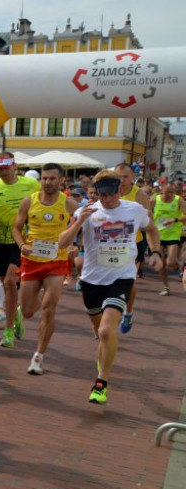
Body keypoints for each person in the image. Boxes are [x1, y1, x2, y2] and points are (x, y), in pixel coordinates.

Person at [58, 170, 163, 404]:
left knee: (107, 331)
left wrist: (155, 252)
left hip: (122, 277)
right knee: (100, 334)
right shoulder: (86, 211)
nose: (105, 199)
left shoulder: (134, 210)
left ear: (119, 190)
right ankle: (104, 361)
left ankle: (101, 383)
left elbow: (152, 229)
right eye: (101, 195)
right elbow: (62, 243)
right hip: (92, 280)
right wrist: (79, 222)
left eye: (109, 194)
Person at [10, 163, 78, 374]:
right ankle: (23, 311)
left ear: (61, 180)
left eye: (52, 178)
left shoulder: (69, 204)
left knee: (49, 309)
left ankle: (38, 357)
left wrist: (76, 245)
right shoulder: (29, 201)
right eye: (45, 178)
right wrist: (22, 245)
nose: (48, 182)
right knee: (29, 311)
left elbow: (85, 223)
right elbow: (16, 228)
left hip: (57, 261)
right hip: (31, 261)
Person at [0, 151, 40, 347]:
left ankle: (8, 332)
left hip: (21, 238)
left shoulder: (31, 184)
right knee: (5, 283)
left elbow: (40, 206)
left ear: (14, 165)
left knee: (9, 280)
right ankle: (14, 314)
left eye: (6, 166)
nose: (3, 171)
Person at [114, 162, 152, 333]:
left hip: (133, 243)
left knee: (129, 282)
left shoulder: (140, 195)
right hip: (109, 242)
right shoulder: (108, 191)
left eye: (126, 177)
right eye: (118, 176)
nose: (121, 180)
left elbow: (148, 223)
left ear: (132, 178)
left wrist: (131, 222)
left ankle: (128, 312)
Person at [151, 179, 185, 295]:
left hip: (172, 234)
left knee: (170, 262)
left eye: (172, 192)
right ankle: (166, 286)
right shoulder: (154, 200)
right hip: (158, 234)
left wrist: (174, 219)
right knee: (161, 263)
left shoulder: (178, 200)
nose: (169, 194)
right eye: (167, 192)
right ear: (161, 191)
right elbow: (147, 213)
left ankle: (176, 266)